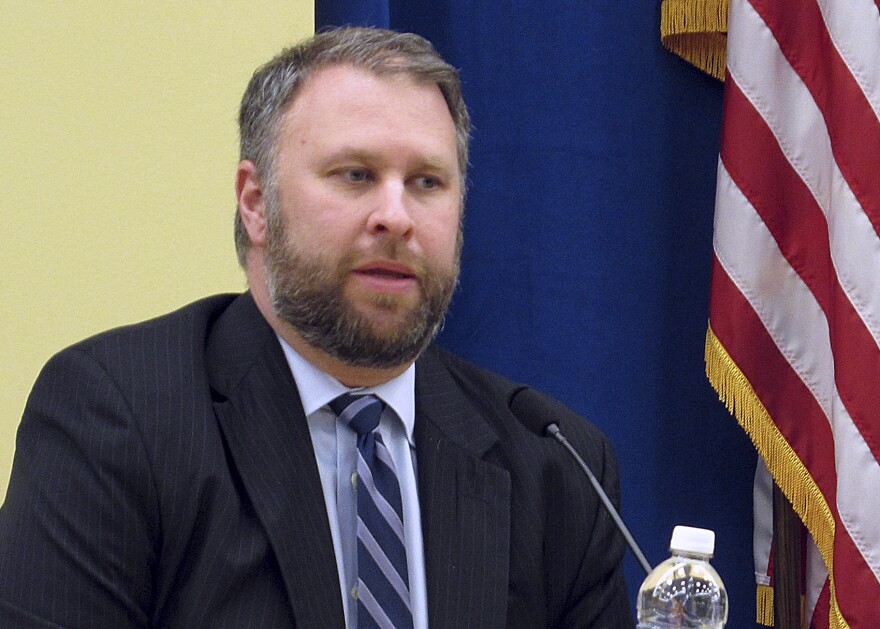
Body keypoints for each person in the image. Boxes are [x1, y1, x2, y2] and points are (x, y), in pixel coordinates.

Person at [0, 27, 633, 628]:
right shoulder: (116, 418)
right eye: (356, 175)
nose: (396, 216)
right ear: (256, 203)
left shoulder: (555, 467)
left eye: (427, 183)